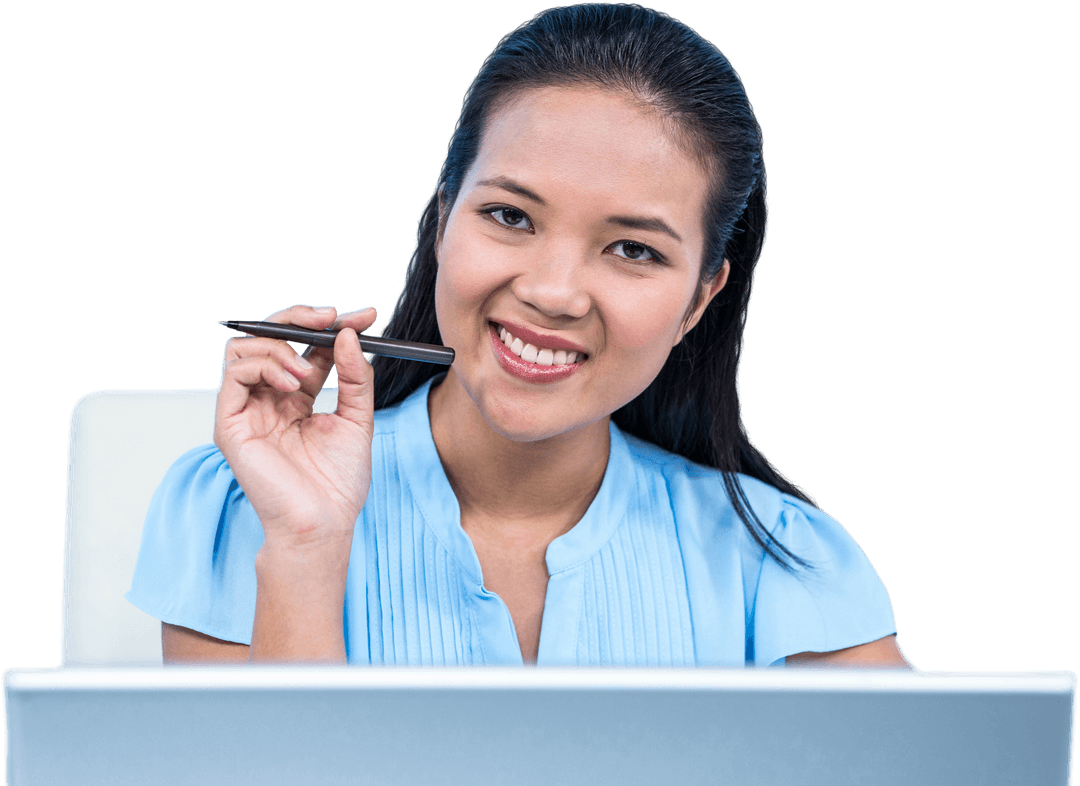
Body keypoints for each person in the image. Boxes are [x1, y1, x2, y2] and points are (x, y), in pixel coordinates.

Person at [128, 3, 913, 668]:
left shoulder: (786, 563)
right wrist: (305, 548)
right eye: (510, 216)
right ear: (443, 223)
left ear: (700, 300)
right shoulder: (243, 511)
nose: (551, 292)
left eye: (633, 249)